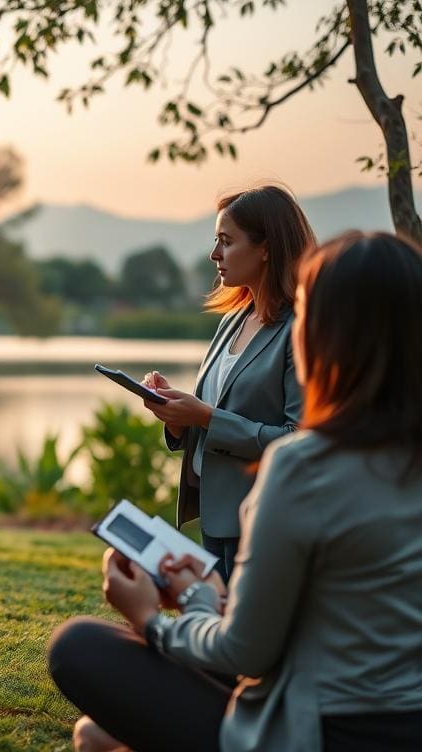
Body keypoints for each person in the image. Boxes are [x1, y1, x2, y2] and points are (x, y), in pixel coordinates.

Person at [49, 231, 422, 752]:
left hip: (322, 732)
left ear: (325, 336)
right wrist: (202, 598)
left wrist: (150, 620)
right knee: (97, 733)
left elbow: (247, 653)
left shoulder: (306, 466)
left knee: (79, 646)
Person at [141, 184, 315, 580]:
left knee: (238, 618)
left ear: (266, 248)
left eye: (226, 241)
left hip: (263, 519)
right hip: (215, 512)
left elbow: (299, 440)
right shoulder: (232, 321)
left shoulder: (300, 330)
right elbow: (216, 413)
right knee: (214, 614)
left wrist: (204, 417)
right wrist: (177, 416)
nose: (214, 254)